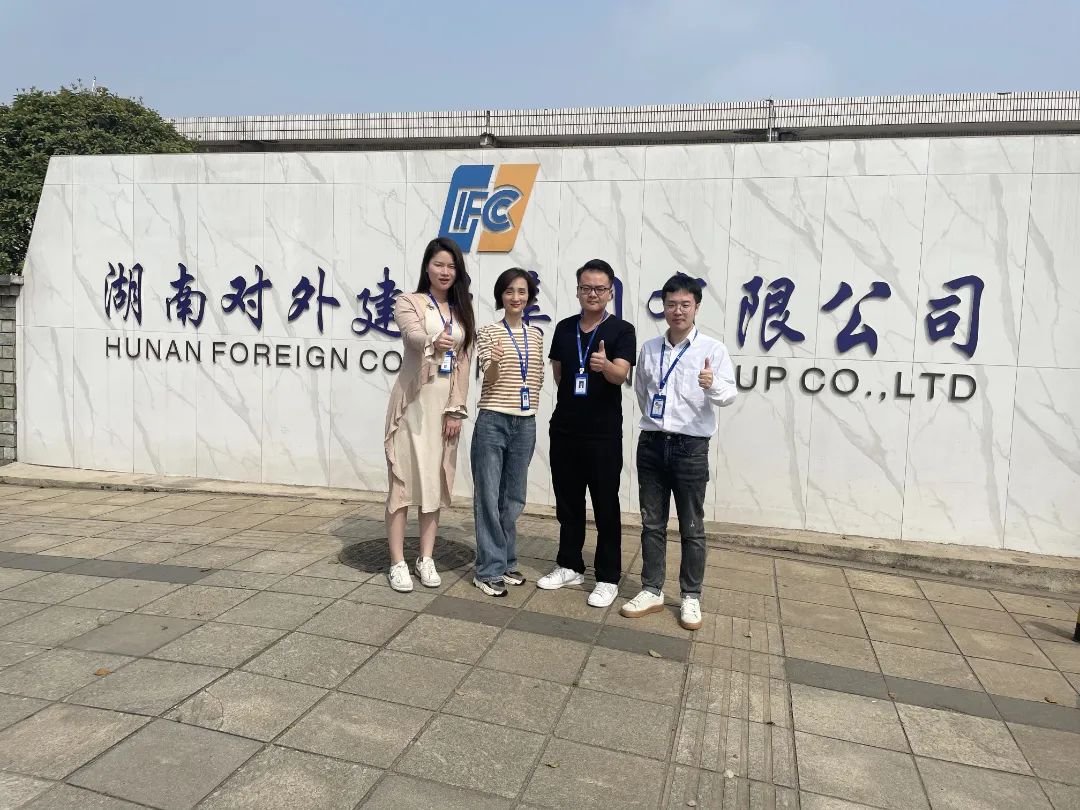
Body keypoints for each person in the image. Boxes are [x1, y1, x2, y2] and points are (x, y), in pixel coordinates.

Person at [620, 274, 736, 630]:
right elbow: (643, 392)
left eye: (685, 304)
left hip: (690, 447)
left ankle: (690, 596)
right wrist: (658, 423)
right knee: (651, 523)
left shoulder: (712, 350)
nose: (678, 311)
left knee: (691, 526)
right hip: (653, 443)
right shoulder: (650, 348)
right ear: (664, 307)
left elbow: (729, 395)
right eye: (671, 304)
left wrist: (711, 385)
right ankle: (652, 589)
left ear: (696, 307)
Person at [537, 259, 636, 607]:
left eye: (599, 288)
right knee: (568, 503)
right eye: (586, 288)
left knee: (605, 505)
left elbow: (620, 375)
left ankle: (607, 577)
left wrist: (605, 366)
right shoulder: (564, 328)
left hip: (602, 434)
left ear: (610, 293)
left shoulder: (622, 330)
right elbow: (560, 374)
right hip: (565, 430)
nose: (592, 294)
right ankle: (569, 565)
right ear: (578, 290)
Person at [383, 237, 475, 592]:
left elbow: (463, 364)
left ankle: (426, 558)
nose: (445, 271)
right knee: (402, 483)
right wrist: (431, 342)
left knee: (433, 483)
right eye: (439, 264)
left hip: (442, 411)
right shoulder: (410, 301)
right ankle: (397, 562)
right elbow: (411, 334)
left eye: (451, 266)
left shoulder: (462, 309)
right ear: (427, 267)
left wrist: (455, 410)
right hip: (412, 406)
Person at [470, 269, 545, 597]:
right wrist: (496, 362)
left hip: (525, 423)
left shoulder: (536, 335)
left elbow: (538, 376)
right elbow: (488, 377)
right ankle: (488, 569)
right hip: (493, 420)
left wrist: (529, 407)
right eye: (510, 291)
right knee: (488, 496)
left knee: (513, 498)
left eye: (522, 291)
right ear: (501, 296)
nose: (516, 297)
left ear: (529, 296)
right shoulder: (488, 332)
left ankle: (506, 561)